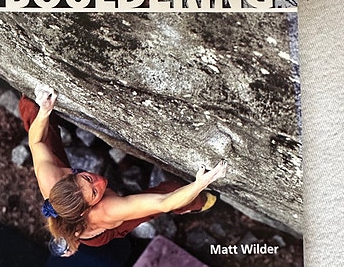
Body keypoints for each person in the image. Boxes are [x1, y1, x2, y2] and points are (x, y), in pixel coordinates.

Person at [20, 85, 227, 256]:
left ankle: (30, 102)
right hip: (100, 229)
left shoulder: (50, 178)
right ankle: (197, 203)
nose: (100, 181)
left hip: (70, 210)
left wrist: (44, 110)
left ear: (68, 176)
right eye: (95, 192)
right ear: (86, 209)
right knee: (169, 191)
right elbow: (163, 202)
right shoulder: (107, 210)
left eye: (87, 178)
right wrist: (200, 184)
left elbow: (36, 141)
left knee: (34, 114)